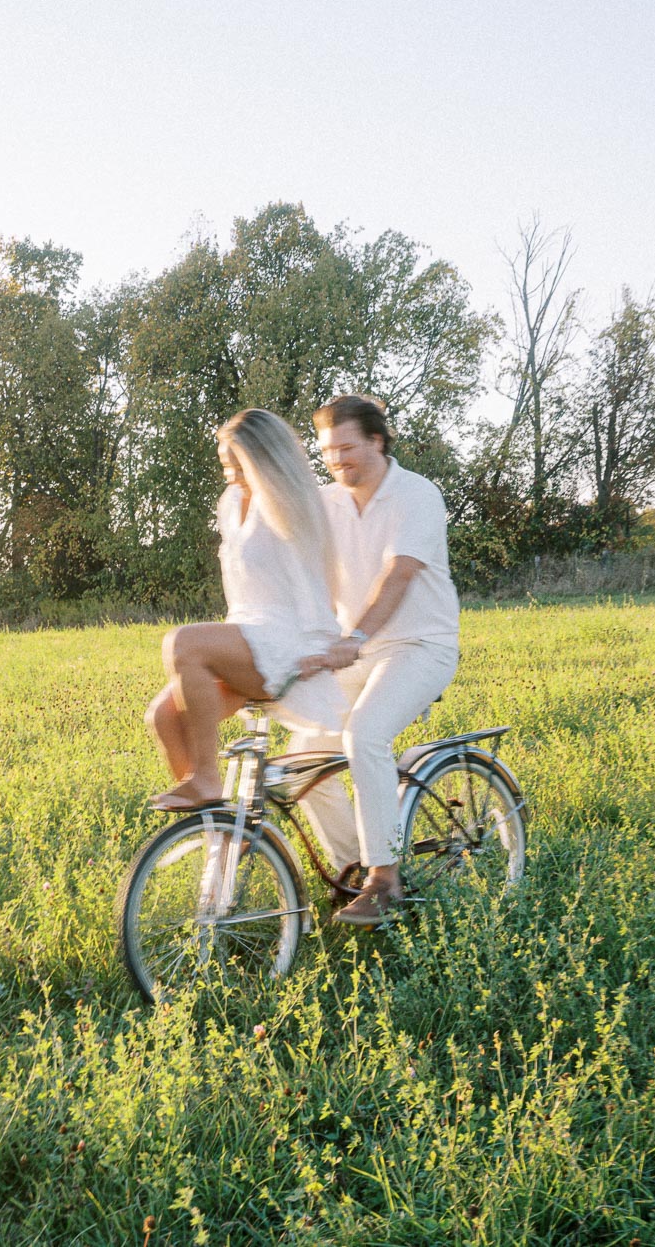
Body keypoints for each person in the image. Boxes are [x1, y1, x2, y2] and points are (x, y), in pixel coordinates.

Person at [296, 394, 460, 925]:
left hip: (420, 646)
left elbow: (399, 574)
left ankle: (384, 879)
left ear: (377, 441)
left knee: (363, 734)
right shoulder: (327, 502)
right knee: (302, 761)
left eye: (347, 447)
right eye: (327, 451)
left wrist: (356, 634)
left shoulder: (417, 494)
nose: (337, 459)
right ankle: (352, 869)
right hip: (356, 652)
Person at [145, 408, 346, 812]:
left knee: (183, 642)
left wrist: (322, 647)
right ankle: (216, 829)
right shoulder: (230, 501)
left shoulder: (289, 505)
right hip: (246, 634)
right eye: (225, 464)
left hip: (285, 644)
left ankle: (206, 779)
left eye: (237, 464)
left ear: (263, 459)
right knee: (163, 717)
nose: (230, 473)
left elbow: (313, 582)